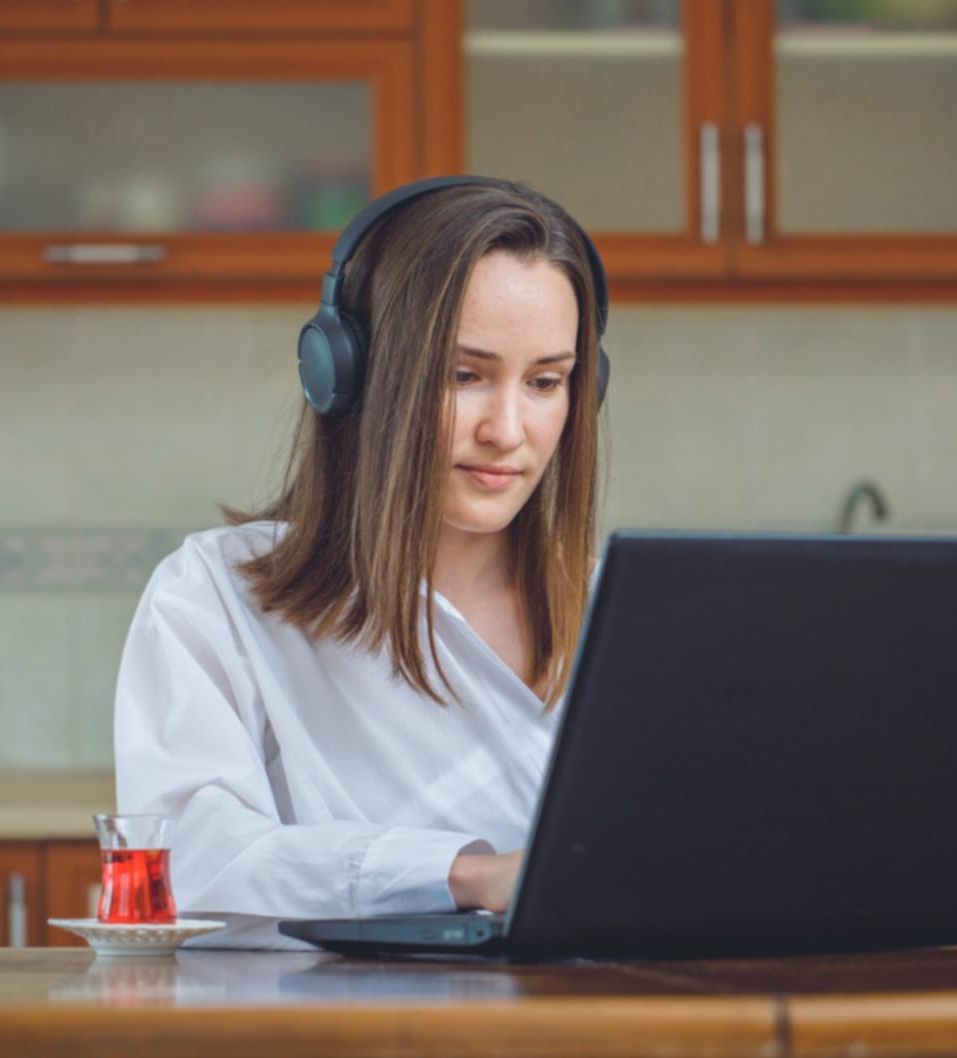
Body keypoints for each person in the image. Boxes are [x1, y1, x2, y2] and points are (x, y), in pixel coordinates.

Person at [113, 176, 609, 948]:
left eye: (546, 382)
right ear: (347, 374)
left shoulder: (614, 611)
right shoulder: (215, 596)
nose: (508, 429)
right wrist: (469, 875)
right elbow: (185, 857)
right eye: (464, 375)